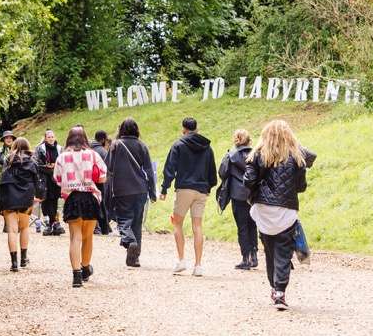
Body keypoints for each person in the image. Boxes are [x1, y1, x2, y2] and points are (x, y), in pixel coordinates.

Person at [243, 119, 316, 311]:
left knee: (269, 250)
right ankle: (280, 291)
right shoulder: (297, 158)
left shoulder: (257, 155)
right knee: (283, 251)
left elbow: (248, 181)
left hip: (264, 209)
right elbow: (301, 187)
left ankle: (273, 287)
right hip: (286, 209)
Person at [159, 117, 217, 277]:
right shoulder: (207, 147)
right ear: (196, 128)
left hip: (184, 188)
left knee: (177, 223)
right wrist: (208, 187)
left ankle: (182, 260)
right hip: (201, 190)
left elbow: (170, 169)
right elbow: (212, 171)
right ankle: (198, 265)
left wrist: (164, 189)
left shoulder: (178, 145)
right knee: (197, 226)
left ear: (184, 128)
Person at [53, 126, 108, 288]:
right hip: (90, 197)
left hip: (72, 197)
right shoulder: (93, 154)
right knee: (88, 237)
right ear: (85, 137)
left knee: (75, 237)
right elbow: (103, 176)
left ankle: (76, 275)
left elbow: (57, 178)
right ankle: (85, 269)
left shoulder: (63, 157)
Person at [107, 117, 156, 267]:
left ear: (121, 129)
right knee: (136, 223)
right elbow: (149, 171)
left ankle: (130, 242)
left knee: (123, 220)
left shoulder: (116, 145)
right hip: (141, 189)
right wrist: (152, 192)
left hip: (122, 190)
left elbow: (108, 167)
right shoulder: (142, 146)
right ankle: (135, 258)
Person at [0, 138, 45, 272]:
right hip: (26, 196)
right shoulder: (32, 161)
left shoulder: (8, 160)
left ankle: (14, 263)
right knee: (24, 228)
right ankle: (24, 259)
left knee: (12, 230)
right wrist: (39, 196)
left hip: (9, 196)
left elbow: (1, 179)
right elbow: (37, 181)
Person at [217, 128, 259, 270]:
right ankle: (254, 256)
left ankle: (245, 258)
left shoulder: (231, 155)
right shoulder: (256, 154)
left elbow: (222, 173)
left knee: (242, 227)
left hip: (238, 194)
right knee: (253, 225)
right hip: (253, 194)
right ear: (249, 139)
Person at [35, 129, 65, 235]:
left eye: (52, 136)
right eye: (49, 137)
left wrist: (55, 167)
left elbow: (63, 163)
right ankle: (49, 223)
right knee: (45, 200)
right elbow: (36, 163)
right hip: (44, 179)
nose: (51, 138)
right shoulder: (40, 149)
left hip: (55, 179)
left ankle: (54, 223)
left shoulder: (60, 148)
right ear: (45, 138)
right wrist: (47, 167)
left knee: (54, 200)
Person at [90, 129, 112, 234]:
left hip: (88, 181)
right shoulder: (103, 152)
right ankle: (102, 227)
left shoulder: (88, 149)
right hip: (100, 182)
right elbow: (109, 168)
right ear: (103, 139)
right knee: (101, 203)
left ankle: (94, 226)